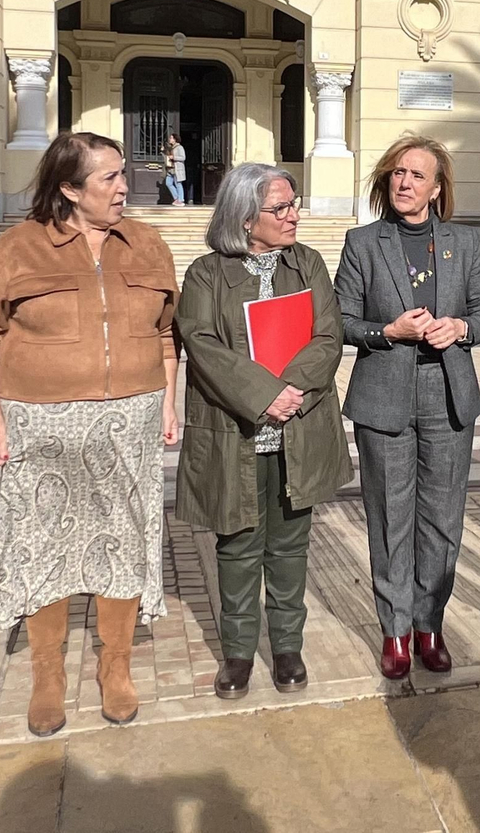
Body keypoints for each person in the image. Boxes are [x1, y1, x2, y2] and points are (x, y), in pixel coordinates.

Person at [0, 132, 179, 737]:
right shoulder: (13, 251)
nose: (124, 187)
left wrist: (168, 403)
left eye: (123, 174)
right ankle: (47, 674)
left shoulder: (148, 245)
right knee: (45, 548)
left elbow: (165, 335)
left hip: (129, 421)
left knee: (123, 546)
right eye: (108, 178)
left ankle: (116, 666)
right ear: (69, 189)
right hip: (42, 425)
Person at [175, 164, 351, 699]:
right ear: (245, 218)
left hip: (297, 425)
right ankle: (236, 652)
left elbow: (329, 334)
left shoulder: (310, 263)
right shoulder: (206, 273)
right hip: (238, 430)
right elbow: (202, 343)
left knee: (291, 546)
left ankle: (287, 647)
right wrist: (263, 394)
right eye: (281, 208)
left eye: (293, 203)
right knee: (238, 546)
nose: (294, 214)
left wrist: (290, 390)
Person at [335, 134, 480, 679]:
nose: (405, 183)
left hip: (449, 396)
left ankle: (431, 624)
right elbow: (339, 322)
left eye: (417, 175)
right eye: (397, 173)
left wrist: (463, 327)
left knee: (442, 520)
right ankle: (396, 630)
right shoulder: (362, 242)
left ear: (437, 187)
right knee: (389, 517)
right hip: (384, 396)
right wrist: (389, 331)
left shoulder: (464, 243)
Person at [164, 134, 187, 206]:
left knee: (178, 184)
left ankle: (180, 199)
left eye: (171, 138)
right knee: (168, 183)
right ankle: (176, 197)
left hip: (177, 169)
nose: (169, 139)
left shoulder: (179, 147)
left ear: (175, 139)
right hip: (170, 169)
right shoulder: (171, 148)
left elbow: (183, 157)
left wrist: (174, 157)